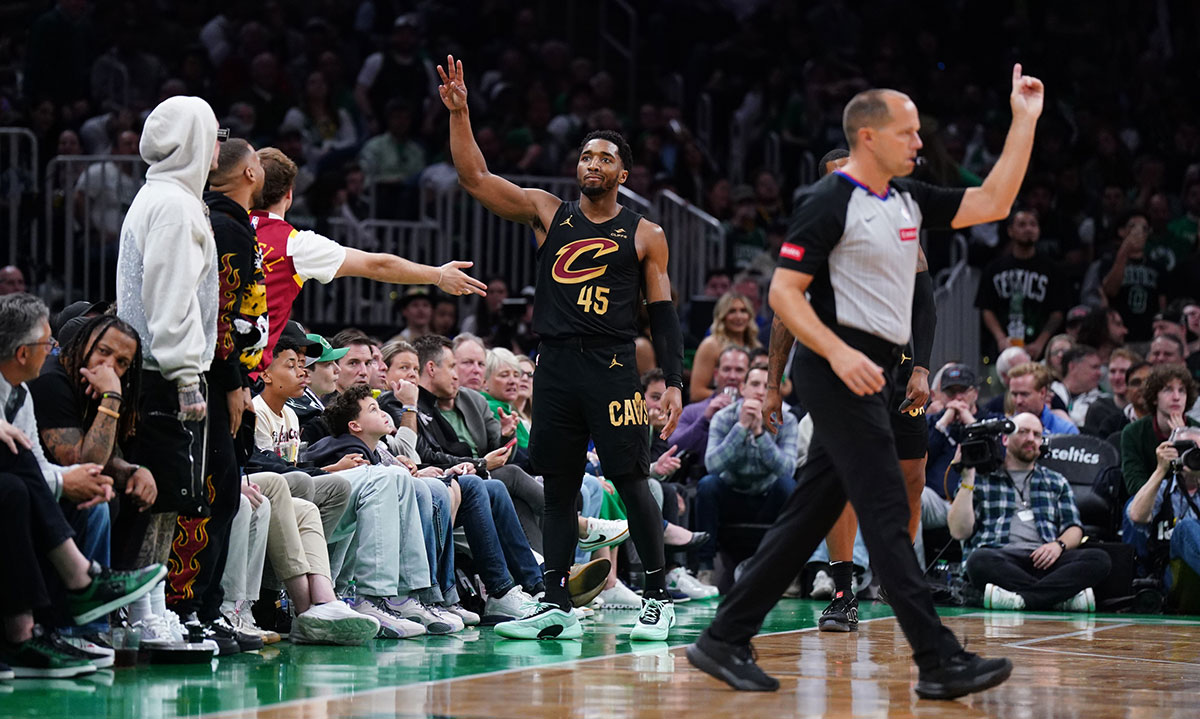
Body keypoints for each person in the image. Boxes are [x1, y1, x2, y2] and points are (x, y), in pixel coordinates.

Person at [687, 65, 1044, 698]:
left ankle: (723, 637)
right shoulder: (826, 202)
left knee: (807, 516)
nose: (918, 144)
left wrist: (1024, 121)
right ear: (869, 137)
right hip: (835, 371)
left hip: (879, 371)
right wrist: (835, 352)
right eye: (907, 132)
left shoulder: (903, 199)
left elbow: (993, 202)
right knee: (884, 509)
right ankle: (938, 660)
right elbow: (783, 293)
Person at [440, 55, 684, 642]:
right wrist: (461, 113)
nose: (592, 163)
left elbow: (664, 315)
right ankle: (556, 602)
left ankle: (656, 595)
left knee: (631, 480)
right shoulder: (550, 213)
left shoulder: (645, 233)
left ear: (623, 174)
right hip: (556, 365)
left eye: (605, 157)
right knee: (559, 487)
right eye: (585, 155)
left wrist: (672, 380)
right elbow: (476, 179)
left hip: (613, 365)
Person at [763, 146, 938, 631]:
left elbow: (924, 306)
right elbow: (783, 314)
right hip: (840, 374)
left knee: (911, 478)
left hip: (898, 371)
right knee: (839, 479)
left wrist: (922, 368)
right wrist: (773, 384)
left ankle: (895, 579)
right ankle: (843, 591)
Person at [115, 96, 227, 648]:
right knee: (158, 494)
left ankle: (147, 604)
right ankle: (142, 612)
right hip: (164, 372)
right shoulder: (175, 207)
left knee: (169, 496)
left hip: (156, 367)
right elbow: (169, 298)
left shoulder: (161, 197)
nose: (218, 148)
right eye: (212, 135)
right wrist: (186, 375)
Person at [249, 147, 485, 366]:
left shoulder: (218, 225)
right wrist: (439, 275)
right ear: (290, 194)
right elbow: (378, 265)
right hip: (250, 375)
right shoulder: (296, 245)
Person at [948, 412, 1111, 611]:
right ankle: (1057, 599)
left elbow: (1074, 529)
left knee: (1099, 559)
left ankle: (1021, 600)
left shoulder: (1055, 481)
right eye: (1023, 432)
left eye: (1037, 435)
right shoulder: (982, 478)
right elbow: (959, 532)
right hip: (1001, 557)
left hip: (1047, 560)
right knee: (978, 561)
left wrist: (1058, 545)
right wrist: (967, 478)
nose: (1030, 439)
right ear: (1005, 439)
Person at [975, 208, 1068, 360]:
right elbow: (986, 308)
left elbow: (1057, 312)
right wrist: (1000, 338)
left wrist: (1040, 343)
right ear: (1010, 231)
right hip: (1002, 352)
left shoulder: (1052, 269)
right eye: (1022, 225)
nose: (1028, 229)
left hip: (1039, 353)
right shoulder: (994, 268)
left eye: (1033, 224)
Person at [689, 293, 761, 403]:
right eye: (732, 311)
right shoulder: (710, 345)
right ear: (722, 316)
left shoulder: (755, 346)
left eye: (743, 311)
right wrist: (735, 398)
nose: (739, 316)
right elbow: (696, 392)